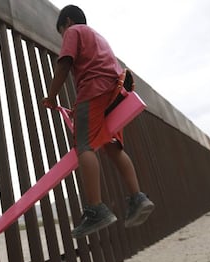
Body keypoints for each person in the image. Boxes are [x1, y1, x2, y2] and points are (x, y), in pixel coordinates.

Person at [41, 5, 155, 238]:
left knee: (84, 146)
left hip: (93, 90)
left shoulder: (74, 31)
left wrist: (51, 96)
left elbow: (64, 64)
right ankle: (137, 198)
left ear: (68, 22)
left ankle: (96, 209)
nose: (64, 37)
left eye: (61, 32)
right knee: (113, 146)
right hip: (114, 94)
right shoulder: (99, 37)